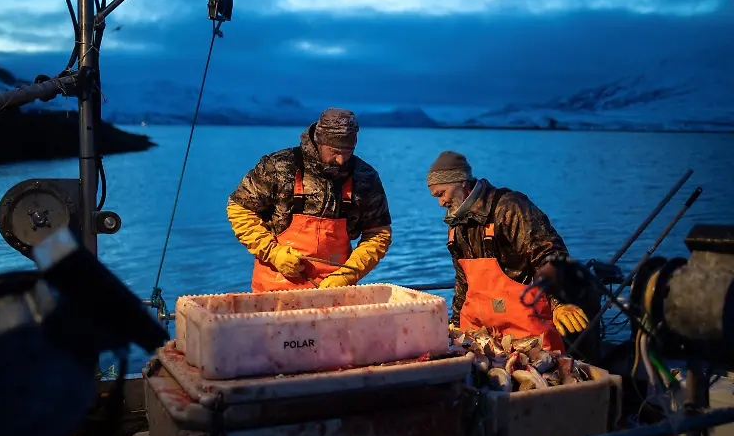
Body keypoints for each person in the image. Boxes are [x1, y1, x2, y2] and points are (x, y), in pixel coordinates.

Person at [427, 150, 591, 355]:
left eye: (442, 194)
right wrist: (454, 325)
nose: (441, 203)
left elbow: (550, 254)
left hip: (528, 336)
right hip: (480, 338)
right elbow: (463, 282)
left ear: (461, 181)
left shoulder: (509, 208)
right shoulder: (456, 225)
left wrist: (558, 303)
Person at [227, 107, 392, 292]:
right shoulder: (279, 166)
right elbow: (239, 209)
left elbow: (378, 233)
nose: (341, 160)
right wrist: (273, 253)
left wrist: (349, 273)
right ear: (319, 141)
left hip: (334, 291)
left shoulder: (365, 177)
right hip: (274, 289)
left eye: (348, 152)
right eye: (335, 151)